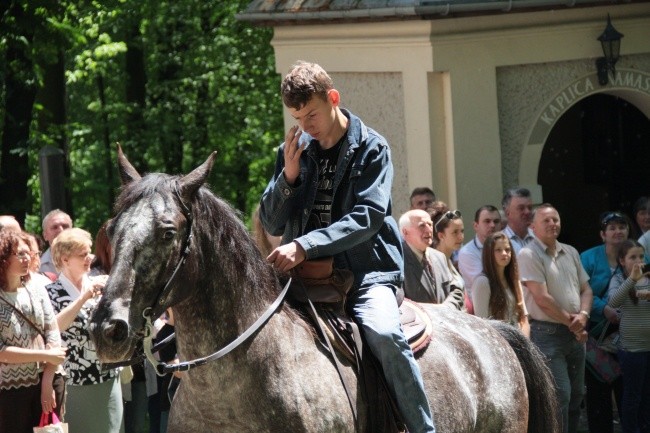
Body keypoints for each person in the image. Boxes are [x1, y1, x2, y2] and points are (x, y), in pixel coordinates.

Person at [259, 61, 435, 433]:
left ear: (333, 98)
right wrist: (288, 178)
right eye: (297, 117)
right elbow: (272, 223)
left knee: (385, 334)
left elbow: (368, 216)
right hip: (298, 277)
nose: (306, 126)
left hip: (365, 274)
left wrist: (305, 246)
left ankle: (423, 429)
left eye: (312, 114)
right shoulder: (292, 151)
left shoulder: (373, 147)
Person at [518, 203, 593, 433]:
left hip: (574, 332)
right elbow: (542, 299)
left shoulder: (570, 251)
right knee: (560, 394)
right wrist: (574, 324)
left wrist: (584, 314)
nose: (553, 224)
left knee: (577, 393)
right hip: (547, 334)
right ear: (533, 227)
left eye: (555, 220)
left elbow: (587, 289)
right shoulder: (528, 254)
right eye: (546, 221)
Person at [46, 228, 123, 433]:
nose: (90, 258)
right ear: (65, 259)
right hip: (75, 383)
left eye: (89, 252)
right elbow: (53, 327)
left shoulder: (100, 284)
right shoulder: (50, 293)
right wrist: (83, 298)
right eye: (83, 254)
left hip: (108, 377)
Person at [0, 231, 67, 433]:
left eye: (28, 253)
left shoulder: (37, 289)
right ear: (3, 258)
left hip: (50, 380)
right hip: (11, 390)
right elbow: (1, 352)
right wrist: (44, 355)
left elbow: (53, 333)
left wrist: (47, 382)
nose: (27, 258)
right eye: (19, 254)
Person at [580, 211, 628, 433]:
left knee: (628, 389)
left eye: (622, 226)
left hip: (629, 332)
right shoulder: (587, 258)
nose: (618, 231)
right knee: (598, 390)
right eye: (612, 227)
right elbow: (581, 289)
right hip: (597, 333)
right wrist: (603, 308)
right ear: (602, 234)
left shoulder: (640, 255)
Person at [607, 239, 650, 433]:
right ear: (622, 261)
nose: (638, 260)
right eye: (632, 257)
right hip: (632, 350)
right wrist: (632, 279)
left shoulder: (648, 278)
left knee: (647, 395)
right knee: (632, 396)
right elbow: (614, 302)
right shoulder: (618, 280)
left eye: (641, 256)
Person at [399, 209, 464, 310]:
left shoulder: (439, 257)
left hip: (446, 321)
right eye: (422, 225)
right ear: (405, 232)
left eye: (430, 224)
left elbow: (455, 289)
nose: (428, 230)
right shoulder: (398, 261)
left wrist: (447, 308)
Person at [471, 231, 530, 336]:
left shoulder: (514, 280)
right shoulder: (482, 282)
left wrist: (525, 344)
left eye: (507, 249)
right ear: (489, 253)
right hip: (498, 344)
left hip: (519, 342)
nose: (504, 253)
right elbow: (483, 325)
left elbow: (523, 318)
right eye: (498, 250)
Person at [458, 205, 501, 306]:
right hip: (483, 312)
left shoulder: (508, 248)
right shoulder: (467, 253)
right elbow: (487, 284)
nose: (492, 225)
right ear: (475, 226)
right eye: (487, 221)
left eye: (496, 221)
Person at [432, 208, 466, 301]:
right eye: (455, 232)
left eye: (462, 231)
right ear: (441, 236)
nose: (461, 237)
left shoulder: (449, 260)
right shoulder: (434, 264)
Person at [502, 187, 535, 255]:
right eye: (521, 208)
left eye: (530, 208)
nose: (527, 212)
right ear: (507, 212)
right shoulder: (498, 242)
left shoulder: (539, 238)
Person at [40, 210, 73, 275]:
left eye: (65, 226)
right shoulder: (38, 267)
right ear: (45, 236)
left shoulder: (90, 262)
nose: (61, 230)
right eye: (55, 227)